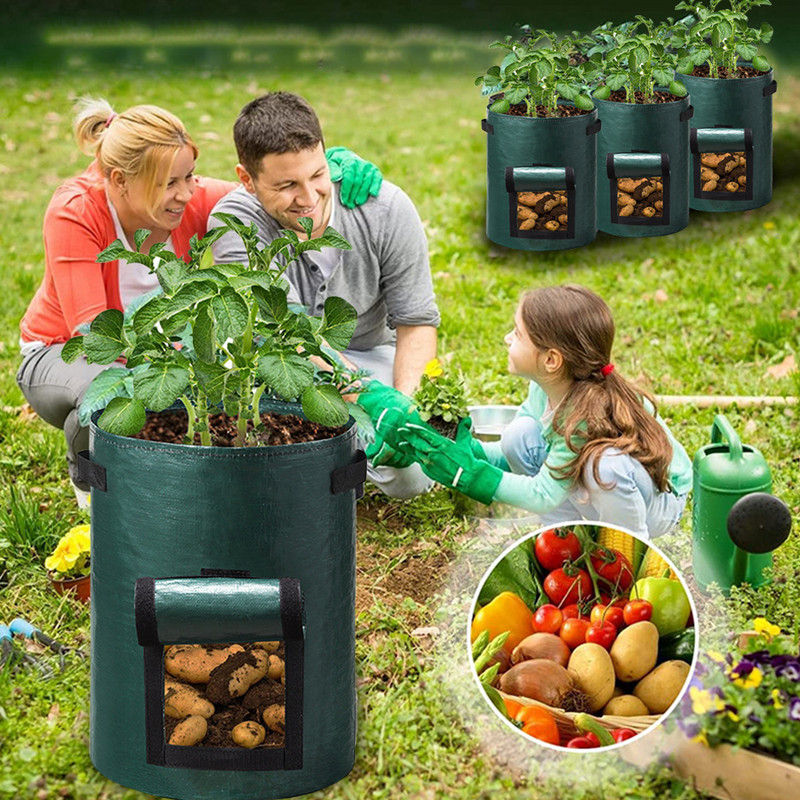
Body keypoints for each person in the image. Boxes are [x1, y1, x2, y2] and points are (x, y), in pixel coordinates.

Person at [16, 97, 379, 506]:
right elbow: (95, 334)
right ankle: (93, 490)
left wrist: (329, 170)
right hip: (63, 351)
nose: (186, 193)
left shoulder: (193, 199)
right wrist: (184, 368)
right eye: (169, 183)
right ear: (120, 180)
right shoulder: (75, 212)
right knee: (110, 397)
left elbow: (264, 191)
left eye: (189, 176)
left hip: (161, 354)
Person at [211, 92, 440, 500]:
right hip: (280, 366)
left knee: (412, 478)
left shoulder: (385, 209)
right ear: (246, 179)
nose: (309, 198)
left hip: (370, 356)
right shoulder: (235, 223)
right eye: (287, 185)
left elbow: (416, 321)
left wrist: (402, 407)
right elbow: (288, 335)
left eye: (317, 175)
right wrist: (368, 398)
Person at [361, 285, 692, 538]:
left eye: (518, 334)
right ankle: (563, 537)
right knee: (519, 436)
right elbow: (510, 454)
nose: (507, 338)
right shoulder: (545, 389)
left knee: (604, 467)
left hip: (658, 502)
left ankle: (625, 550)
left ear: (551, 360)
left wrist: (473, 476)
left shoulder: (587, 416)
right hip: (603, 482)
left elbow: (544, 493)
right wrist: (462, 449)